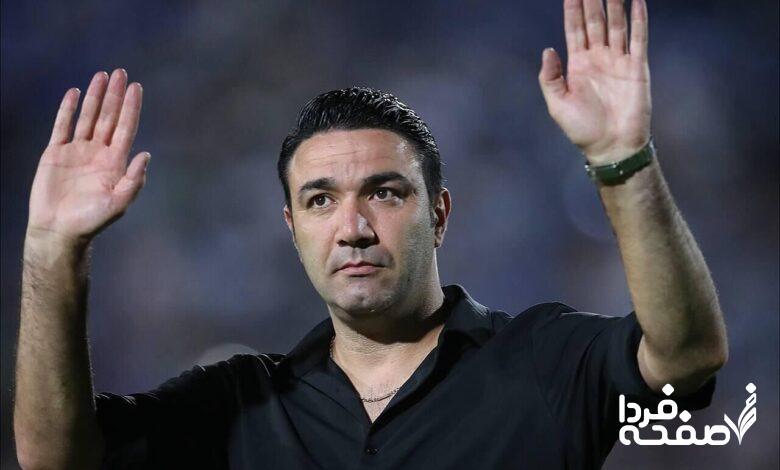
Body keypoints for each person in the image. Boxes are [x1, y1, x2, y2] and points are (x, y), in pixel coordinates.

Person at [13, 0, 728, 468]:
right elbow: (55, 458)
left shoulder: (542, 362)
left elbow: (687, 353)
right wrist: (53, 251)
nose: (352, 229)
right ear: (292, 228)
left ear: (439, 214)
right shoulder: (239, 405)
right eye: (321, 200)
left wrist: (622, 161)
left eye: (384, 193)